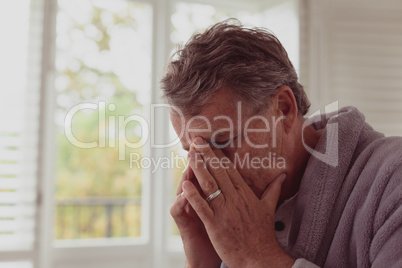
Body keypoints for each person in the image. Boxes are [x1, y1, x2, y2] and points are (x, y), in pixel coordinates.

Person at [161, 19, 402, 268]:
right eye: (193, 153)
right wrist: (203, 264)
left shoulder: (393, 179)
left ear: (284, 109)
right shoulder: (229, 225)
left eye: (222, 141)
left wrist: (257, 256)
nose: (207, 171)